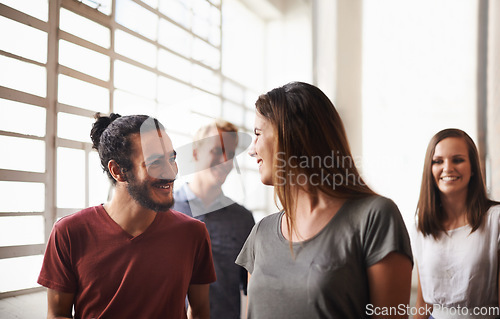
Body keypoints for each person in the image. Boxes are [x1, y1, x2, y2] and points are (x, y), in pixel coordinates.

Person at [235, 82, 413, 318]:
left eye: (258, 134)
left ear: (292, 135)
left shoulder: (375, 217)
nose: (252, 150)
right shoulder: (261, 234)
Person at [37, 113, 216, 319]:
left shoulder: (193, 233)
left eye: (172, 158)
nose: (171, 172)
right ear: (118, 171)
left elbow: (200, 311)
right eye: (155, 162)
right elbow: (58, 314)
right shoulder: (68, 233)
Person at [412, 128, 500, 319]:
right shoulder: (422, 223)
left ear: (473, 168)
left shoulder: (496, 220)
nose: (447, 168)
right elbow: (423, 303)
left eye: (458, 160)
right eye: (438, 161)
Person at [173, 119, 255, 318]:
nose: (225, 160)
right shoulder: (164, 211)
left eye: (231, 153)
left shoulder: (243, 220)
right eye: (217, 151)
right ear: (194, 153)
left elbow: (254, 290)